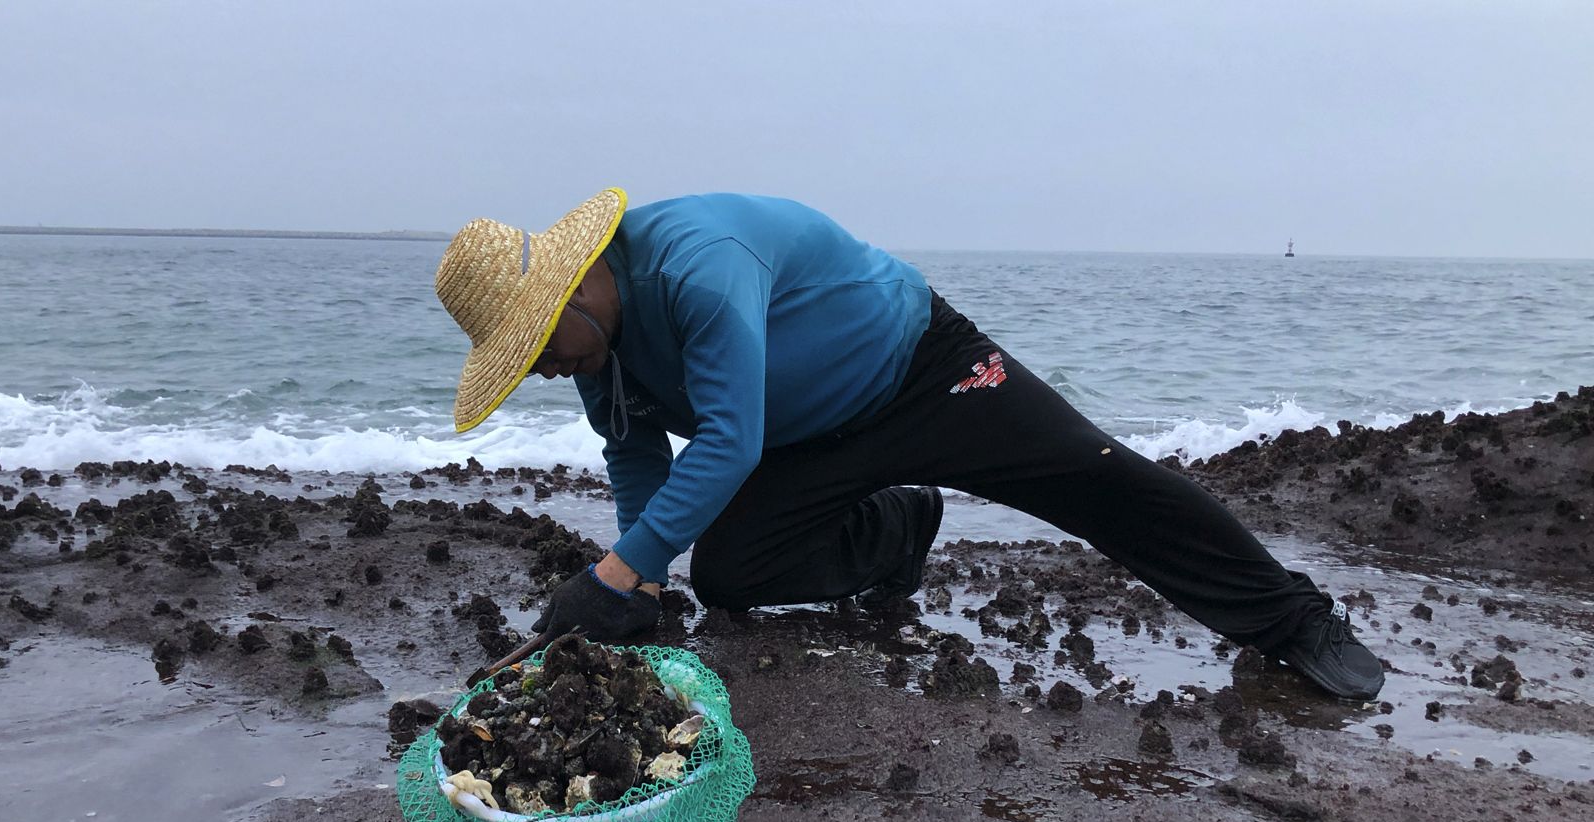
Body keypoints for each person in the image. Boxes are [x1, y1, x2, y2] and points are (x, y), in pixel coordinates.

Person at [432, 189, 1384, 699]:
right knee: (731, 572)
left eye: (534, 352)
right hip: (804, 439)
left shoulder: (695, 265)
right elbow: (638, 460)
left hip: (925, 370)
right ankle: (902, 528)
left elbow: (724, 442)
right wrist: (639, 577)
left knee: (1100, 481)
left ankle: (1295, 622)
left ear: (570, 298)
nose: (539, 373)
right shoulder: (599, 358)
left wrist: (607, 577)